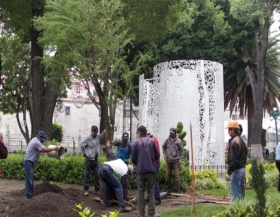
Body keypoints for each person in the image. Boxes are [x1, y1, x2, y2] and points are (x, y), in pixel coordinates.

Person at [131, 125, 160, 217]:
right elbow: (158, 155)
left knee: (140, 192)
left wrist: (137, 163)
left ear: (139, 133)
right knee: (151, 192)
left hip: (140, 171)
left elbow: (133, 158)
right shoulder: (152, 141)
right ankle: (151, 214)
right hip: (151, 170)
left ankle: (141, 214)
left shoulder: (136, 143)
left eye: (137, 133)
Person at [98, 141, 132, 213]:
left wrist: (109, 146)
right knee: (119, 187)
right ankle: (122, 206)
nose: (128, 175)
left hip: (101, 170)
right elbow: (123, 185)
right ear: (129, 171)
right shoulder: (125, 171)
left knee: (109, 185)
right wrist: (124, 196)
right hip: (107, 171)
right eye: (129, 174)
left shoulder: (119, 160)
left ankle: (105, 202)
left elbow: (111, 154)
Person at [23, 130, 59, 199]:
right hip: (28, 162)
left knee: (30, 179)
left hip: (29, 162)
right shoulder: (36, 142)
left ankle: (30, 195)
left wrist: (56, 156)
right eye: (42, 139)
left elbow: (42, 151)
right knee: (29, 179)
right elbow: (45, 150)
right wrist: (55, 148)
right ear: (39, 137)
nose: (43, 141)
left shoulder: (35, 140)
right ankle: (28, 196)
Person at [226, 120, 248, 201]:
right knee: (240, 192)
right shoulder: (241, 141)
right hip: (241, 168)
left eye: (229, 130)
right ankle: (241, 209)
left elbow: (233, 158)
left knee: (235, 194)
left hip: (236, 170)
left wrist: (230, 169)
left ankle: (236, 210)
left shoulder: (234, 142)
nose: (228, 132)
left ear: (233, 130)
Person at [80, 125, 105, 196]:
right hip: (88, 159)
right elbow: (81, 145)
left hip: (95, 159)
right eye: (93, 131)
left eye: (95, 131)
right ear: (91, 131)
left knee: (97, 175)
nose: (94, 133)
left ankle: (96, 190)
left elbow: (103, 133)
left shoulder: (98, 138)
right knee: (86, 175)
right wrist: (84, 153)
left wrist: (108, 125)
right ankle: (86, 190)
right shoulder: (88, 139)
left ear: (97, 132)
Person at [162, 127, 184, 193]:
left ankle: (177, 189)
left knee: (176, 176)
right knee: (167, 175)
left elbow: (181, 150)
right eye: (170, 133)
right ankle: (167, 189)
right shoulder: (167, 140)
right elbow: (163, 147)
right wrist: (164, 155)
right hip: (168, 161)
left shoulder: (178, 141)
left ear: (175, 133)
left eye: (172, 133)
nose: (171, 134)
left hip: (176, 161)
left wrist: (180, 159)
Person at [146, 130, 161, 205]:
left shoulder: (153, 140)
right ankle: (150, 197)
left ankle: (158, 198)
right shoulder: (152, 139)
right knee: (150, 180)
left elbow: (155, 153)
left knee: (154, 180)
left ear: (148, 134)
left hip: (155, 162)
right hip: (153, 162)